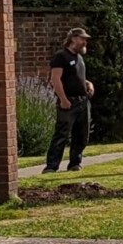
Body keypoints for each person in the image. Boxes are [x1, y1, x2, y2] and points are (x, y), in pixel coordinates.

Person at [44, 28, 94, 173]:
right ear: (73, 39)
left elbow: (77, 78)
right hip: (69, 102)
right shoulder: (61, 56)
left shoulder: (79, 57)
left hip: (83, 101)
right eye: (82, 39)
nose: (85, 42)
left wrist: (88, 84)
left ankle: (75, 163)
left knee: (82, 135)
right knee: (62, 134)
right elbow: (55, 79)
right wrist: (63, 99)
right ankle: (51, 166)